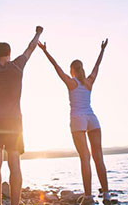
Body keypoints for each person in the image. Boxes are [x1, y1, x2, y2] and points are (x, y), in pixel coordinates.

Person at [0, 26, 43, 205]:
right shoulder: (17, 66)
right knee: (15, 164)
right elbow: (30, 48)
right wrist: (38, 33)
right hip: (14, 121)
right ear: (9, 53)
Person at [38, 38, 111, 205]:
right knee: (98, 157)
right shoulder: (89, 82)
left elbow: (55, 66)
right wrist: (102, 49)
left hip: (78, 119)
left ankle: (88, 197)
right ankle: (106, 195)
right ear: (82, 69)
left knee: (85, 158)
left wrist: (45, 50)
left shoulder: (71, 83)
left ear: (72, 70)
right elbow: (97, 65)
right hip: (92, 118)